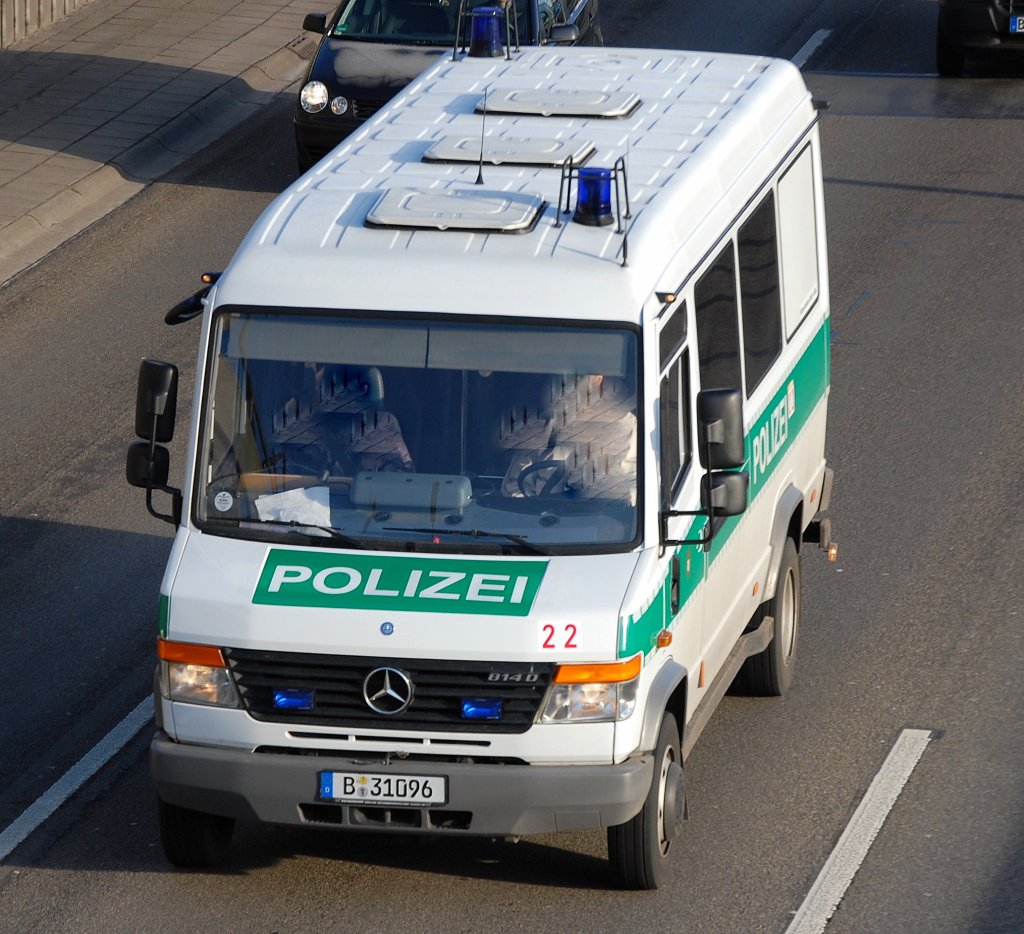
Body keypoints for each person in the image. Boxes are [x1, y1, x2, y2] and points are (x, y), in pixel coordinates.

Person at [500, 372, 636, 501]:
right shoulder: (545, 423)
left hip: (596, 518)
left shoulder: (625, 426)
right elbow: (515, 485)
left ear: (597, 378)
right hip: (540, 519)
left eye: (578, 376)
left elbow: (629, 489)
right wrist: (527, 513)